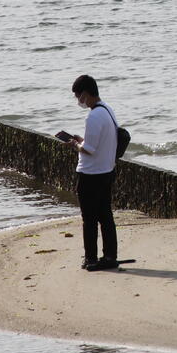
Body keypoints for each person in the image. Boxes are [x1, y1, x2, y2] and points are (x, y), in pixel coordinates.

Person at [62, 74, 119, 272]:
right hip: (106, 171)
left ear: (85, 94)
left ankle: (91, 258)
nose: (78, 100)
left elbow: (89, 149)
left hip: (90, 174)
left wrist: (76, 144)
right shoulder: (107, 110)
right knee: (105, 216)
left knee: (89, 219)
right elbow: (97, 142)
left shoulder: (93, 115)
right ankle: (110, 256)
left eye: (78, 96)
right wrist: (83, 140)